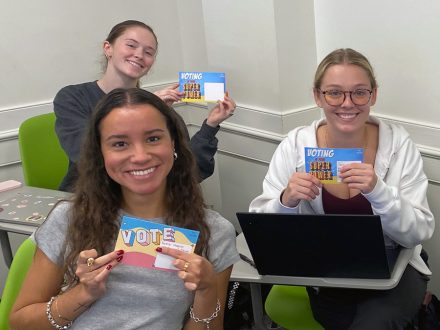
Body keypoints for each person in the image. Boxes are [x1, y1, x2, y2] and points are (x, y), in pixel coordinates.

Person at [10, 88, 240, 330]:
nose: (140, 156)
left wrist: (206, 290)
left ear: (173, 142)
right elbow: (21, 323)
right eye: (120, 144)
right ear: (101, 152)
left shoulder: (214, 232)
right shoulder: (69, 219)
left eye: (153, 138)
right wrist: (83, 294)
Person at [249, 48, 435, 329]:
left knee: (375, 323)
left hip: (396, 264)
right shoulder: (296, 144)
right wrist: (286, 200)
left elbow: (418, 231)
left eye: (359, 92)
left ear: (373, 95)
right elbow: (261, 225)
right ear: (317, 96)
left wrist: (378, 191)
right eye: (334, 92)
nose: (347, 103)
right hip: (328, 269)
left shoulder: (398, 145)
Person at [54, 20, 236, 192]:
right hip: (91, 199)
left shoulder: (158, 107)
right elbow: (87, 155)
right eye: (131, 45)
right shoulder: (72, 97)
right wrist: (139, 110)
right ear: (108, 48)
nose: (139, 55)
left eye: (148, 52)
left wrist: (210, 125)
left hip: (148, 206)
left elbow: (190, 171)